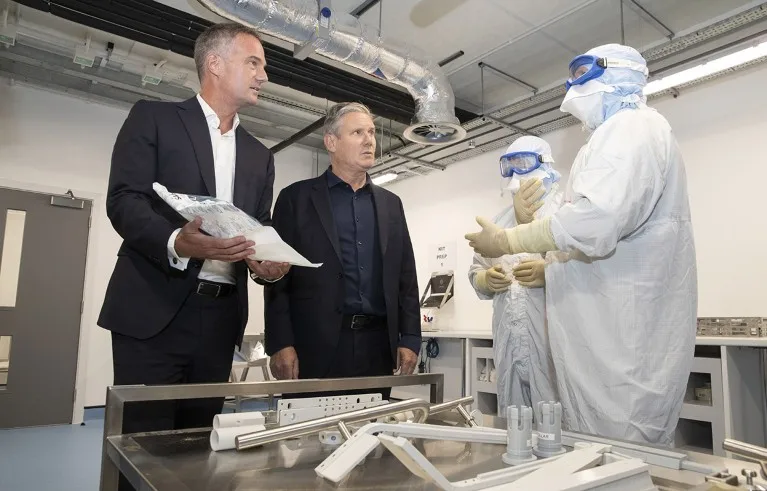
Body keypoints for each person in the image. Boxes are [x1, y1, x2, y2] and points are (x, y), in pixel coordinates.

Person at [465, 44, 697, 446]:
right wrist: (490, 276)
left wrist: (513, 241)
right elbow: (583, 237)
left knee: (617, 451)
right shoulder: (608, 139)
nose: (572, 86)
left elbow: (593, 223)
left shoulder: (632, 129)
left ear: (614, 76)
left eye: (581, 73)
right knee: (565, 443)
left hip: (618, 345)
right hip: (581, 341)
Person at [98, 22, 290, 484]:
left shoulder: (260, 156)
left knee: (197, 453)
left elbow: (256, 233)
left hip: (221, 322)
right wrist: (175, 241)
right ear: (215, 64)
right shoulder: (154, 119)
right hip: (153, 314)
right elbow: (124, 199)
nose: (265, 74)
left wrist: (265, 267)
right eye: (254, 62)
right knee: (140, 451)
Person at [264, 102, 420, 399]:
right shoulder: (295, 199)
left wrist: (411, 337)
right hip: (314, 348)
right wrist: (280, 342)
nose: (369, 140)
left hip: (377, 348)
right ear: (331, 142)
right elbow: (277, 278)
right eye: (358, 132)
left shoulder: (391, 205)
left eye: (372, 132)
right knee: (310, 441)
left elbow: (405, 276)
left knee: (371, 438)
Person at [468, 136, 562, 415]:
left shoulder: (565, 213)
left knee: (556, 420)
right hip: (508, 341)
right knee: (514, 422)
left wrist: (551, 273)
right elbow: (475, 270)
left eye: (523, 164)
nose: (517, 173)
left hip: (551, 346)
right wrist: (484, 279)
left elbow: (588, 270)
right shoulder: (499, 222)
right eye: (511, 166)